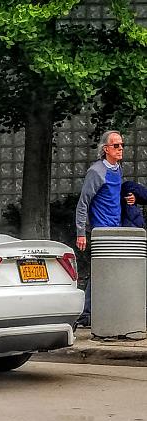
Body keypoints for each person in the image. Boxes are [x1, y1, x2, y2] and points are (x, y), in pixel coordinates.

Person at [75, 130, 132, 327]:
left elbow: (114, 194)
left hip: (116, 229)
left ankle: (106, 310)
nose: (120, 149)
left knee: (112, 271)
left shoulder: (117, 169)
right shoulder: (96, 171)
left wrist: (129, 199)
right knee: (100, 271)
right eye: (116, 146)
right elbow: (84, 202)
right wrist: (81, 233)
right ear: (106, 149)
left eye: (122, 145)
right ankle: (86, 315)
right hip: (101, 230)